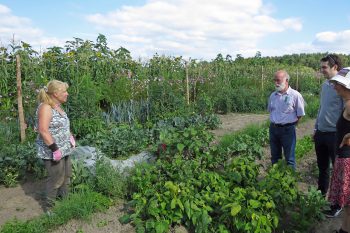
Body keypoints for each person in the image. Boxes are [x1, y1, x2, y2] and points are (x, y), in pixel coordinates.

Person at [35, 80, 75, 213]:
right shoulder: (46, 107)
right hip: (52, 151)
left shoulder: (57, 106)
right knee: (56, 179)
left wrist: (70, 136)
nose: (67, 94)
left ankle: (65, 201)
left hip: (64, 149)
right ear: (56, 94)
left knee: (66, 176)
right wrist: (55, 149)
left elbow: (62, 125)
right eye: (64, 92)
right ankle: (49, 208)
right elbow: (43, 130)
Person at [314, 54, 343, 199]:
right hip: (321, 133)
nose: (322, 70)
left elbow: (346, 112)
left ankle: (337, 200)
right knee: (322, 167)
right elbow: (321, 108)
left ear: (335, 67)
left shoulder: (342, 86)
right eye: (321, 67)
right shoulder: (325, 85)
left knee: (338, 170)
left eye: (324, 67)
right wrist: (315, 128)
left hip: (335, 135)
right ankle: (321, 195)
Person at [327, 67, 350, 233]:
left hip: (347, 159)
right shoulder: (348, 104)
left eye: (338, 84)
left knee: (348, 202)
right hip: (344, 157)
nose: (335, 86)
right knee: (348, 204)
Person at [268, 70, 305, 169]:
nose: (276, 83)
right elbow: (271, 111)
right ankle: (275, 180)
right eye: (274, 80)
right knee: (275, 157)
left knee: (290, 159)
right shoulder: (272, 96)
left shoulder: (295, 95)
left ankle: (290, 182)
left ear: (286, 80)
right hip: (273, 129)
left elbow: (300, 114)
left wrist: (290, 125)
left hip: (288, 130)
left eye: (278, 80)